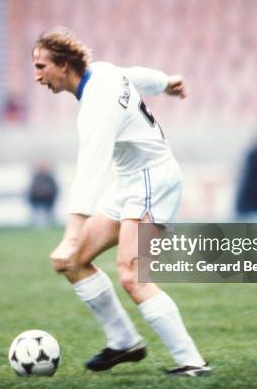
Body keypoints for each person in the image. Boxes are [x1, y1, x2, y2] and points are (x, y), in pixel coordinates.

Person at [32, 27, 210, 377]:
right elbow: (136, 75)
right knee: (75, 263)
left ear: (64, 65)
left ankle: (191, 363)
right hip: (131, 183)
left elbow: (90, 173)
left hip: (152, 180)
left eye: (41, 66)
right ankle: (124, 341)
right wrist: (166, 82)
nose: (36, 76)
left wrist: (70, 236)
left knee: (132, 276)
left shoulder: (95, 108)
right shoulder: (102, 72)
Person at [28, 160, 59, 228]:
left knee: (48, 211)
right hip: (37, 199)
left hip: (48, 199)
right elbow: (32, 189)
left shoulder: (49, 177)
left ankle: (49, 224)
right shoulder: (36, 177)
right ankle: (37, 225)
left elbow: (54, 188)